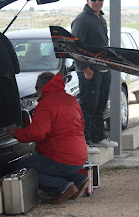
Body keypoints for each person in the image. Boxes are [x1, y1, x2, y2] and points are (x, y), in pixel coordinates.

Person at [7, 72, 90, 204]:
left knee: (21, 169)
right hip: (79, 156)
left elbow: (37, 133)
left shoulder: (46, 104)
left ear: (42, 87)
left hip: (59, 156)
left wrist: (16, 133)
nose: (36, 92)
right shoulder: (71, 100)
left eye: (36, 88)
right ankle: (79, 180)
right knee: (52, 167)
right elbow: (81, 125)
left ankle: (63, 187)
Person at [71, 0, 118, 154]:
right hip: (90, 71)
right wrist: (85, 68)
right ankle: (84, 141)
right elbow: (75, 47)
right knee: (87, 106)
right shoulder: (82, 19)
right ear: (87, 0)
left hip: (104, 68)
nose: (98, 2)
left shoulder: (100, 18)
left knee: (100, 104)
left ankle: (98, 137)